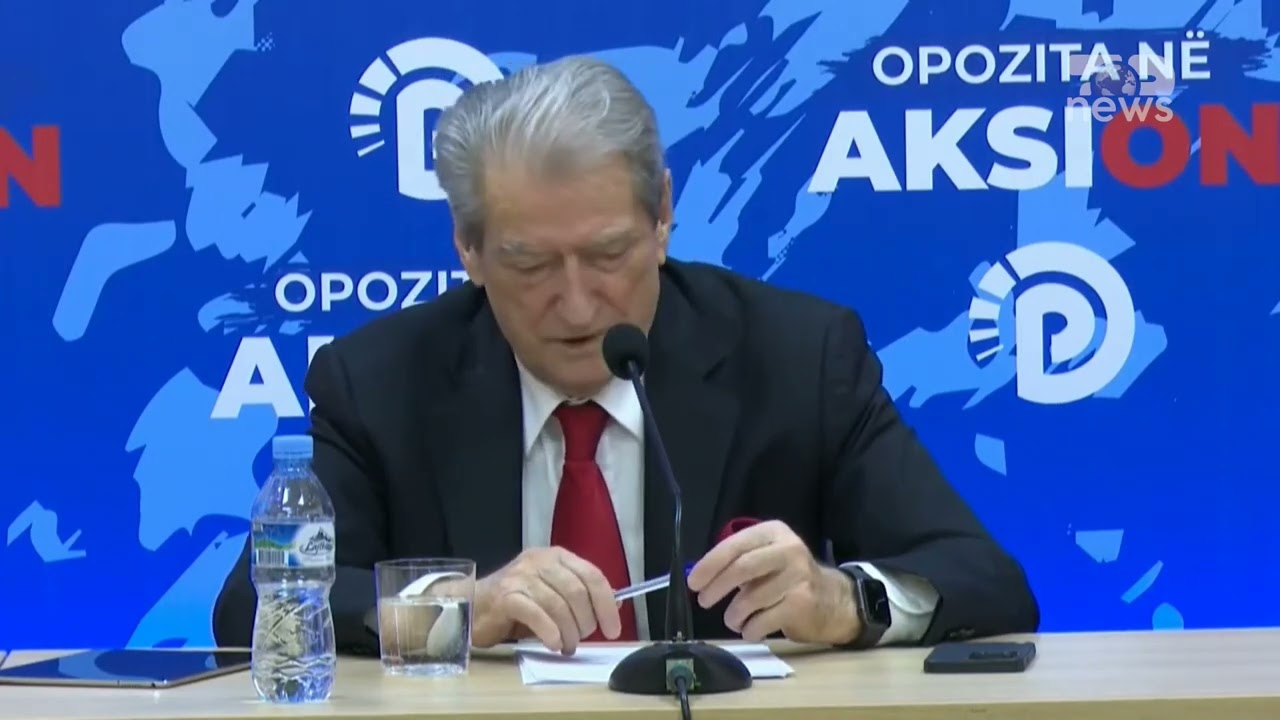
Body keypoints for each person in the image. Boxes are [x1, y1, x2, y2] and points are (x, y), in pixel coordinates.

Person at [213, 55, 1038, 657]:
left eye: (609, 254)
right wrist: (457, 607)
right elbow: (255, 605)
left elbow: (985, 581)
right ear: (467, 247)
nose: (577, 305)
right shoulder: (380, 381)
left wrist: (842, 601)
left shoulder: (798, 357)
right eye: (530, 265)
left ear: (662, 216)